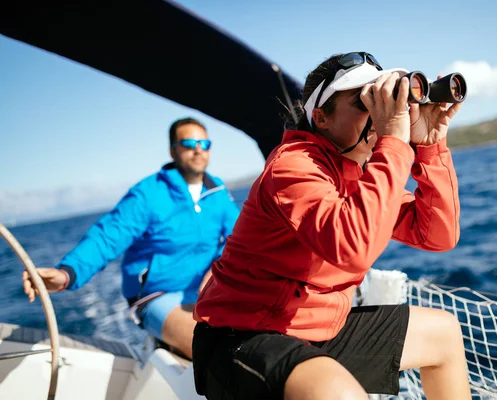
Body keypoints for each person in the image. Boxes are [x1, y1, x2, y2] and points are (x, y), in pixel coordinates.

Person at [191, 52, 472, 400]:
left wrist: (429, 148)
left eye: (380, 99)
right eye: (363, 102)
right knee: (336, 392)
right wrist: (395, 142)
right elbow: (351, 248)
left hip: (317, 331)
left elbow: (438, 235)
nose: (377, 113)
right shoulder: (293, 167)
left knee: (442, 334)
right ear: (321, 117)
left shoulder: (360, 176)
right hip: (241, 338)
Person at [22, 117, 240, 360]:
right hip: (158, 295)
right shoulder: (148, 194)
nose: (198, 149)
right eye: (189, 143)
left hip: (206, 290)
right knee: (217, 351)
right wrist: (66, 273)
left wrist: (221, 265)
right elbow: (107, 237)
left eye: (204, 143)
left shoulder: (217, 191)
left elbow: (239, 237)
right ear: (173, 150)